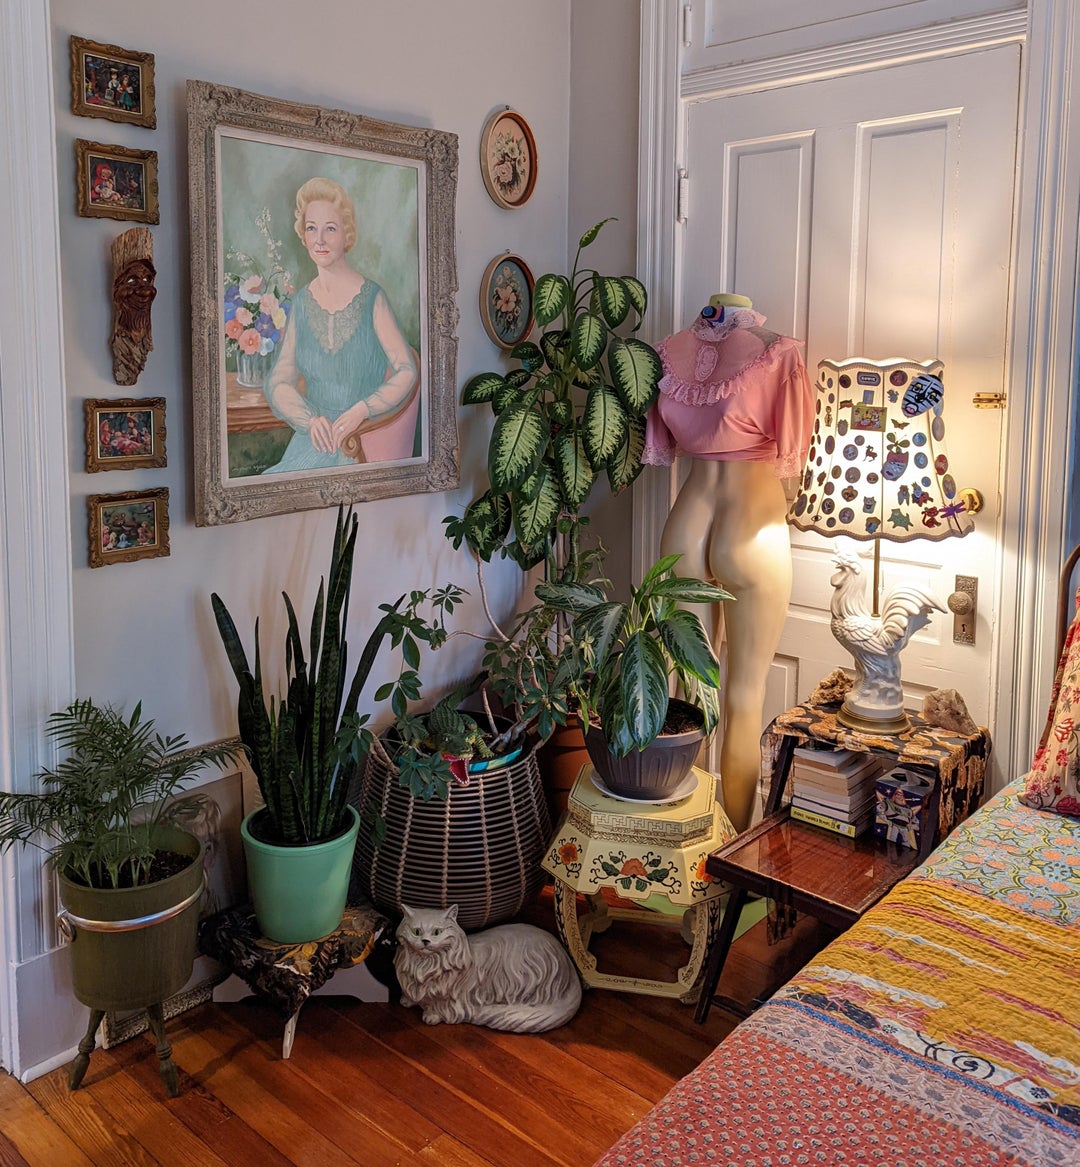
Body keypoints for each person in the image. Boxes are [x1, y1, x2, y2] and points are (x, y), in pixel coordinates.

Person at [644, 293, 813, 832]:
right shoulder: (777, 354)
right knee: (743, 696)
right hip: (752, 525)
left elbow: (663, 442)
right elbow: (793, 457)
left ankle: (686, 837)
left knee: (690, 689)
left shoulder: (666, 354)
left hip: (686, 521)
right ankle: (729, 853)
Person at [261, 177, 417, 472]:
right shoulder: (302, 303)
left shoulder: (372, 298)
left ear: (347, 233)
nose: (319, 239)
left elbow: (407, 370)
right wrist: (309, 420)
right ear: (303, 234)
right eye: (311, 228)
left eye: (330, 228)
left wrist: (363, 409)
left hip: (359, 441)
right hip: (313, 442)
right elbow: (278, 381)